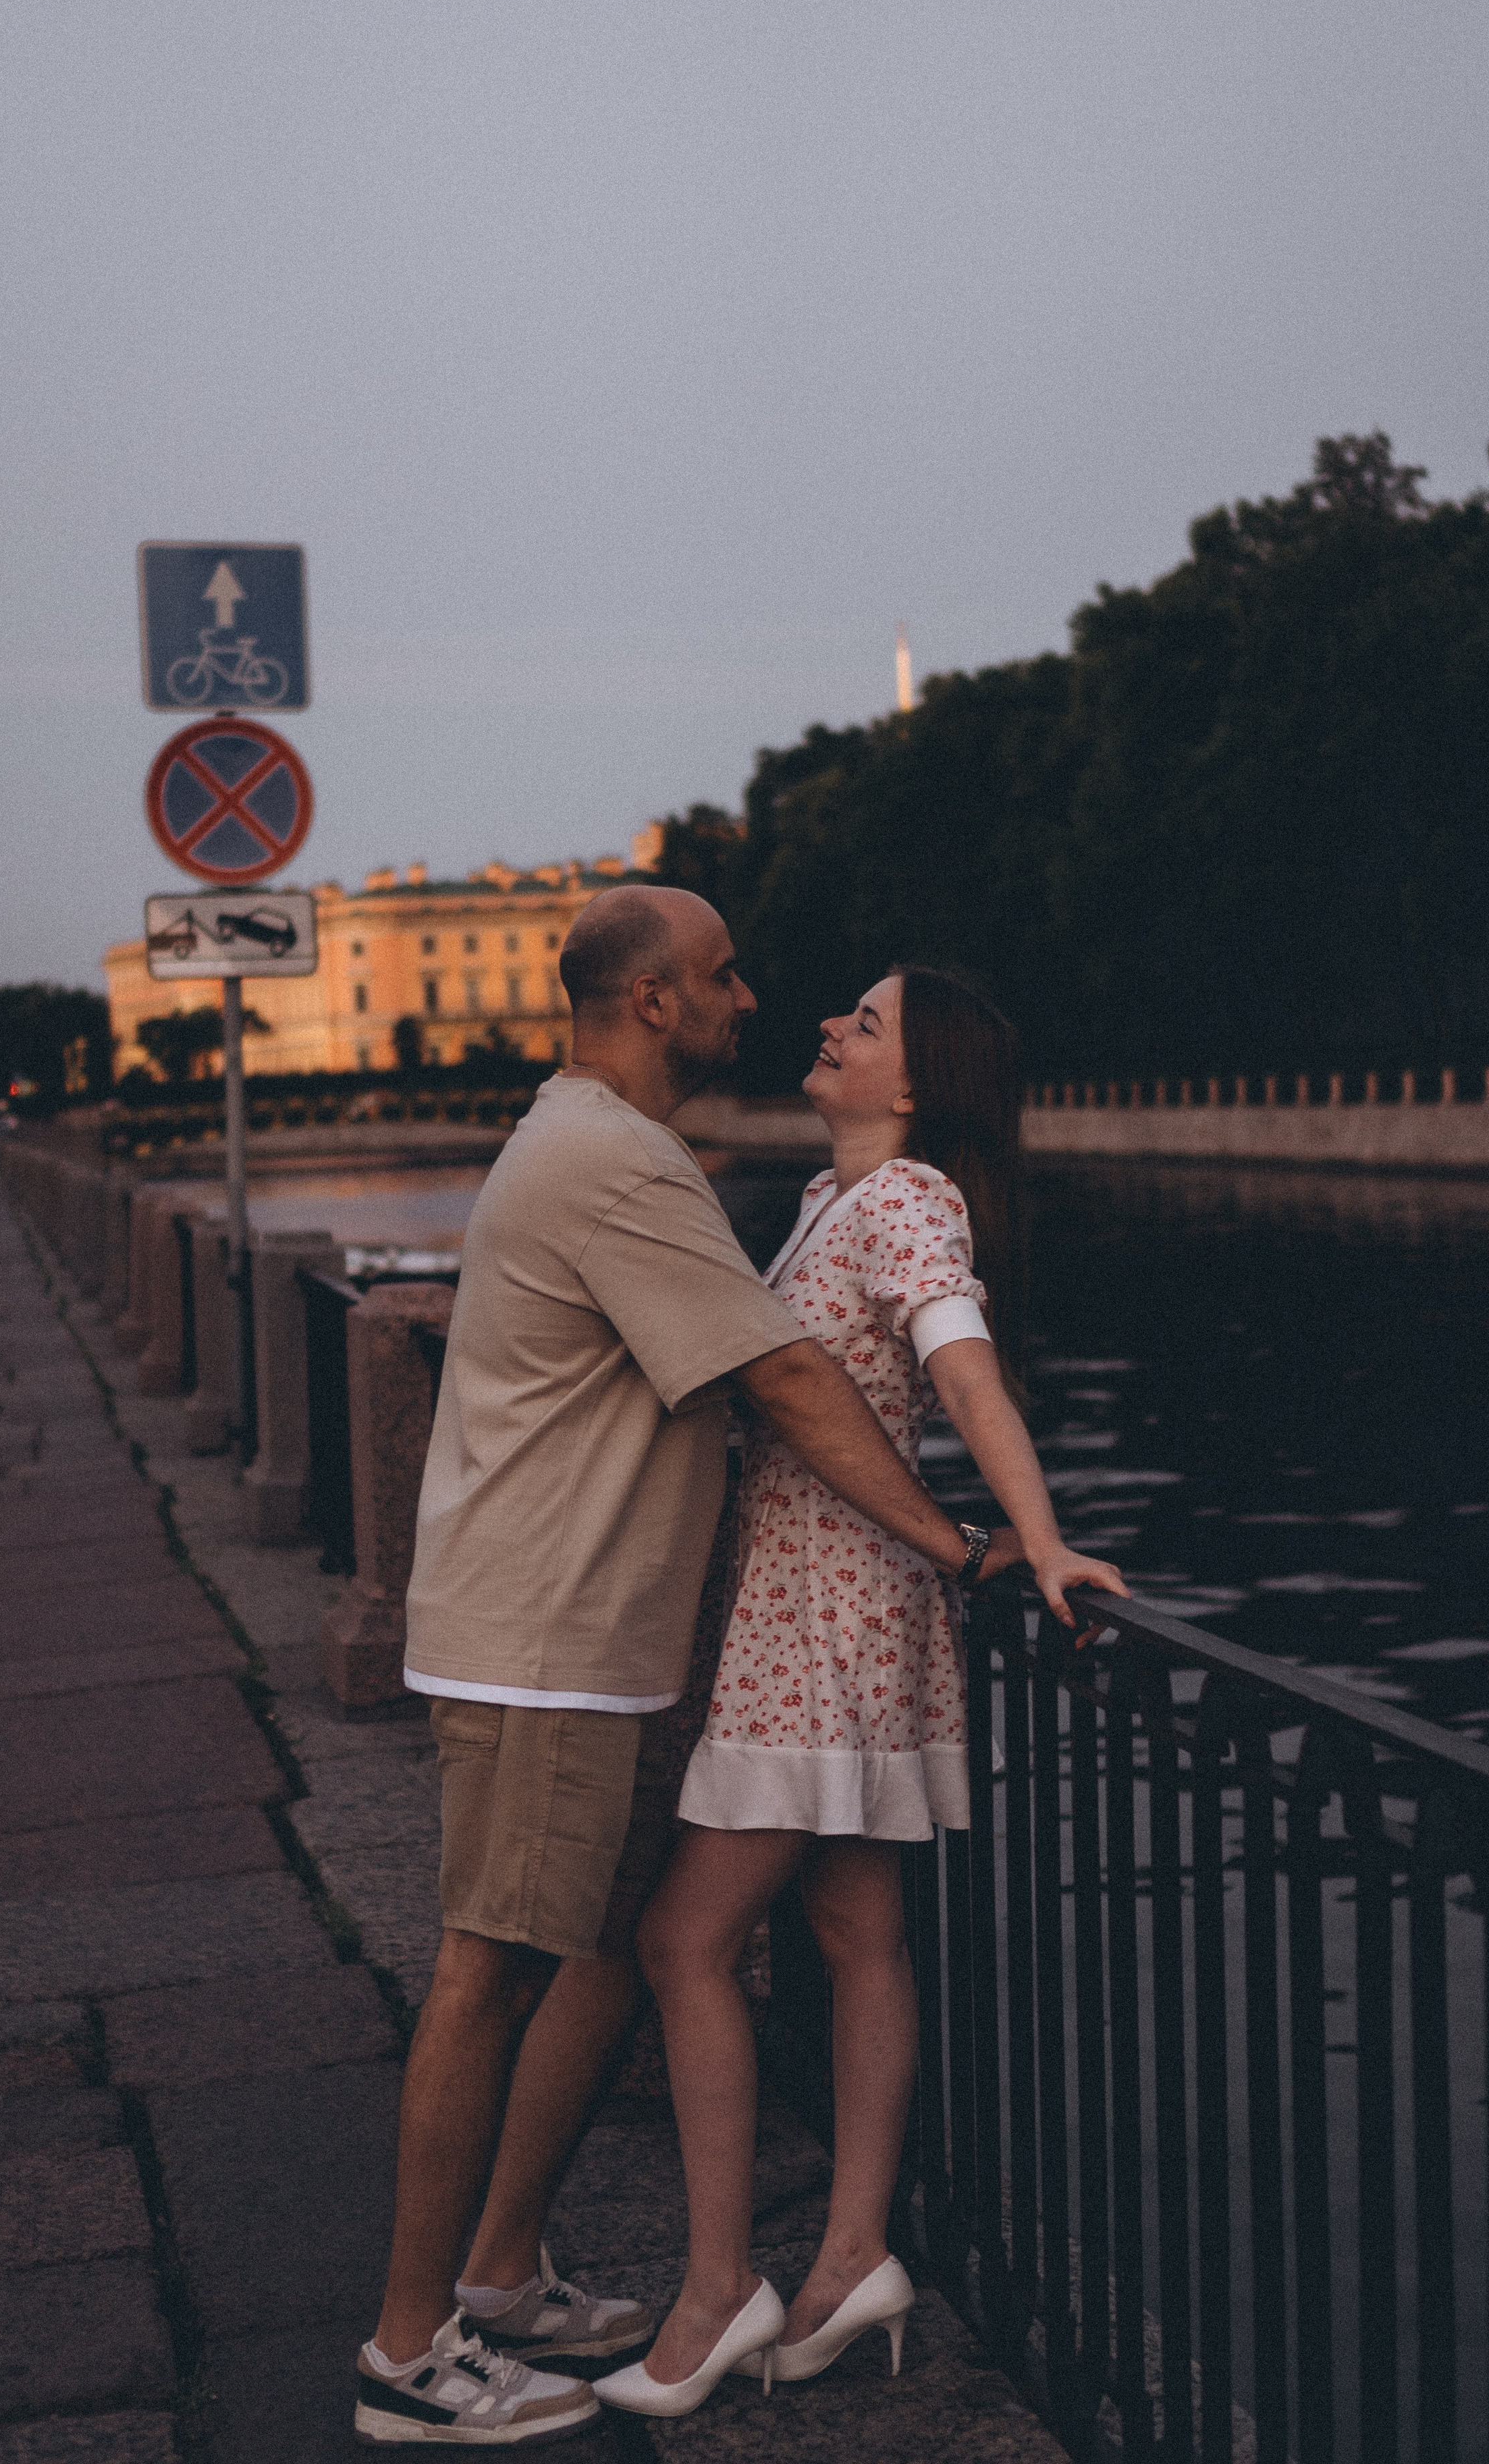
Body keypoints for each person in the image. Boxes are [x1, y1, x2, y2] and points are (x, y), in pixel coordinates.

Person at [354, 896, 1027, 2447]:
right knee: (490, 1968)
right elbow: (784, 1375)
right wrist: (959, 1543)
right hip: (549, 1643)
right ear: (655, 1002)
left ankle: (508, 2275)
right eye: (721, 977)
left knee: (603, 1952)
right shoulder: (618, 1165)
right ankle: (407, 2352)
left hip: (597, 1634)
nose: (753, 1000)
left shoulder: (596, 1142)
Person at [596, 966, 1128, 2419]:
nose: (829, 1026)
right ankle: (847, 2261)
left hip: (821, 1619)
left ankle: (718, 2295)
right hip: (833, 1608)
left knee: (682, 1942)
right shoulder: (836, 1202)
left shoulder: (903, 1203)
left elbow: (962, 1370)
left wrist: (1039, 1532)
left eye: (866, 1022)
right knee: (853, 1931)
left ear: (912, 1086)